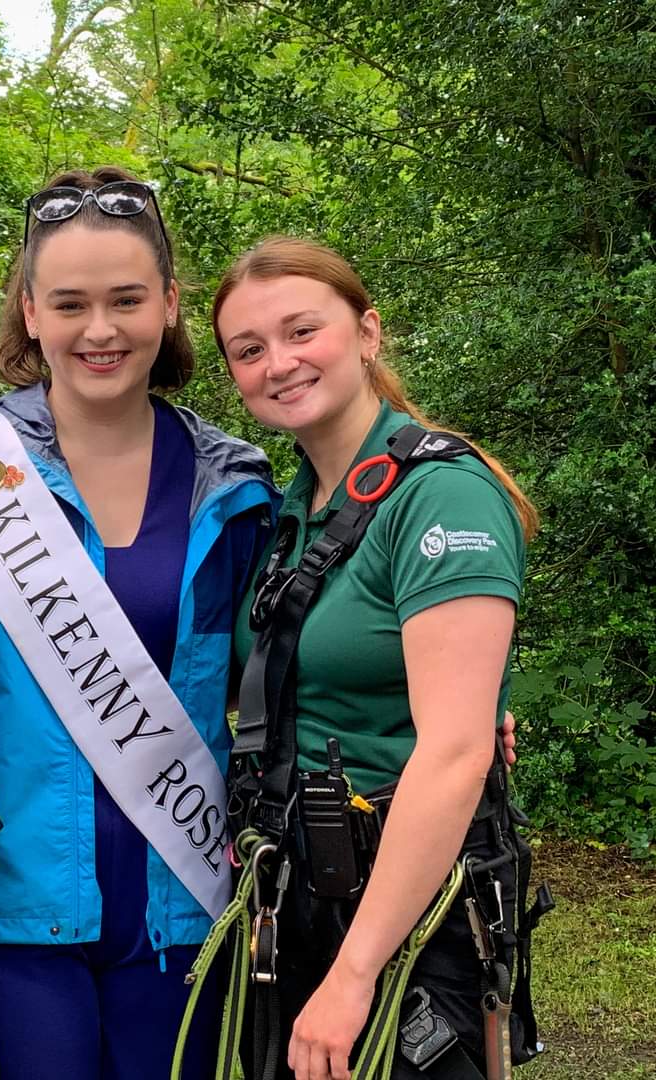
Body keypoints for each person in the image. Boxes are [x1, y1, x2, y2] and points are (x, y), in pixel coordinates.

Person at [0, 166, 278, 1080]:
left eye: (127, 300)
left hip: (182, 908)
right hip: (14, 916)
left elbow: (290, 670)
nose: (99, 331)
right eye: (69, 303)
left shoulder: (240, 489)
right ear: (30, 312)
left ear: (171, 306)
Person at [214, 237, 542, 1080]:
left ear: (367, 332)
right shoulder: (290, 510)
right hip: (297, 892)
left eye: (301, 332)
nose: (277, 364)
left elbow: (456, 751)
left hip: (405, 915)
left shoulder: (441, 494)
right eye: (248, 351)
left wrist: (356, 972)